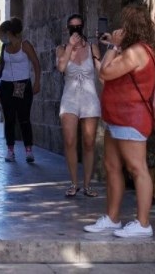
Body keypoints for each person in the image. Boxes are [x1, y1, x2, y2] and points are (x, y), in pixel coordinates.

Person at [84, 5, 155, 238]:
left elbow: (104, 73)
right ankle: (113, 219)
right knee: (112, 167)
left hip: (130, 119)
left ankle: (143, 223)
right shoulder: (131, 50)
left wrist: (114, 46)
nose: (120, 29)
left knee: (138, 169)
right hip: (116, 118)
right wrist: (114, 47)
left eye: (124, 25)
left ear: (131, 28)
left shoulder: (136, 52)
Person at [0, 17, 41, 163]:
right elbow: (0, 66)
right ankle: (10, 150)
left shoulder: (24, 45)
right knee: (9, 119)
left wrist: (37, 82)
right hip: (6, 85)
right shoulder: (4, 48)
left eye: (1, 33)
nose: (0, 37)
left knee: (24, 118)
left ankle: (28, 150)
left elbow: (36, 63)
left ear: (8, 32)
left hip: (22, 84)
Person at [56, 14, 101, 198]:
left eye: (78, 26)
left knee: (89, 142)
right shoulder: (61, 49)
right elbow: (61, 68)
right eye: (72, 27)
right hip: (70, 98)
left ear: (83, 28)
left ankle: (87, 185)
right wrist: (70, 48)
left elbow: (103, 72)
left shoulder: (92, 47)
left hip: (90, 98)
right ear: (68, 29)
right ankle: (74, 183)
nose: (75, 30)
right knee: (69, 141)